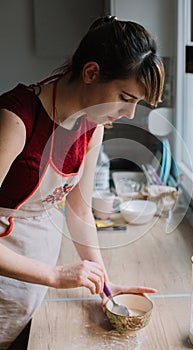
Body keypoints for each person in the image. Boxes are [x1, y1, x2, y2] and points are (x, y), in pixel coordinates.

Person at [0, 15, 164, 349]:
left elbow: (79, 213)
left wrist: (106, 285)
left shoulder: (92, 128)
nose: (130, 114)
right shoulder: (15, 120)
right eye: (125, 97)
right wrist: (55, 275)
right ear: (91, 73)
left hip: (35, 270)